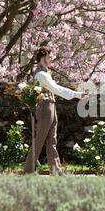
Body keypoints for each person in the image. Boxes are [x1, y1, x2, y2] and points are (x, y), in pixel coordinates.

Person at [24, 47, 84, 175]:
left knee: (52, 140)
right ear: (42, 58)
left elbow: (54, 89)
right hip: (45, 107)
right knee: (40, 139)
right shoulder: (41, 74)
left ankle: (56, 171)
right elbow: (55, 88)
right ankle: (28, 170)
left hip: (51, 106)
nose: (50, 60)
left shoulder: (45, 72)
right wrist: (77, 94)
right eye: (49, 57)